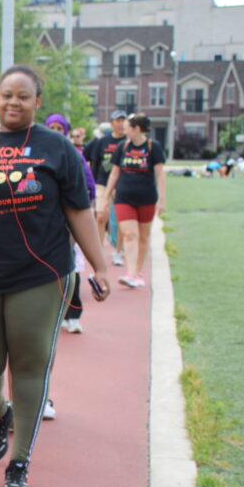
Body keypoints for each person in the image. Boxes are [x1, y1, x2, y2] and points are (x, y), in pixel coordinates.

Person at [0, 66, 110, 487]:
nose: (13, 103)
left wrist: (100, 266)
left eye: (22, 97)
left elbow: (78, 211)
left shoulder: (56, 148)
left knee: (30, 365)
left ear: (37, 102)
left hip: (41, 274)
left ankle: (19, 462)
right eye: (6, 96)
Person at [45, 113, 97, 334]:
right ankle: (51, 315)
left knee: (70, 267)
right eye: (52, 127)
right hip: (45, 221)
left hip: (68, 219)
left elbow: (89, 187)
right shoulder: (39, 152)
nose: (56, 131)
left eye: (60, 128)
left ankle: (73, 315)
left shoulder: (74, 155)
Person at [105, 113, 166, 288]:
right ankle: (130, 273)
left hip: (147, 198)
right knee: (130, 234)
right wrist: (108, 195)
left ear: (136, 129)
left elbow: (160, 174)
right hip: (124, 198)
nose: (124, 131)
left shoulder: (153, 147)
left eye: (127, 128)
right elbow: (115, 172)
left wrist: (161, 200)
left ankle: (138, 272)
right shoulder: (122, 147)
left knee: (143, 236)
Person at [86, 111, 127, 264]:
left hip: (122, 184)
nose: (120, 123)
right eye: (117, 120)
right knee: (101, 216)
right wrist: (92, 182)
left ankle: (118, 251)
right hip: (102, 182)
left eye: (123, 120)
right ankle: (99, 251)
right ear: (111, 123)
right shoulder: (102, 142)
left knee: (121, 219)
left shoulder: (127, 142)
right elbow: (91, 160)